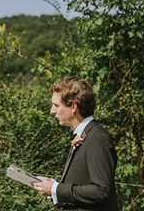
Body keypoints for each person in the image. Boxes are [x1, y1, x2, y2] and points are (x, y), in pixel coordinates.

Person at [32, 76, 119, 211]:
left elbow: (101, 191)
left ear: (73, 106)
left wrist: (55, 188)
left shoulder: (97, 138)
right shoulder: (86, 135)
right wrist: (53, 187)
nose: (52, 111)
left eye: (56, 105)